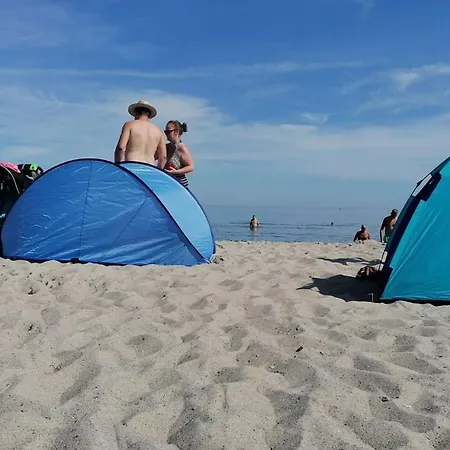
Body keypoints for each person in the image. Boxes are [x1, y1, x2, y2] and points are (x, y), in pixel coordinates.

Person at [114, 100, 167, 168]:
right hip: (149, 167)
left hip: (132, 165)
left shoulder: (129, 125)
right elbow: (163, 157)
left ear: (136, 113)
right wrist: (158, 171)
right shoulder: (158, 131)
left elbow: (121, 147)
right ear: (149, 115)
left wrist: (118, 165)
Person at [164, 120, 194, 188]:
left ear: (176, 132)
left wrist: (176, 172)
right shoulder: (166, 147)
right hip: (168, 183)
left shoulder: (181, 148)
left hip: (179, 184)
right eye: (165, 132)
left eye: (168, 132)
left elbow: (191, 167)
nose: (166, 134)